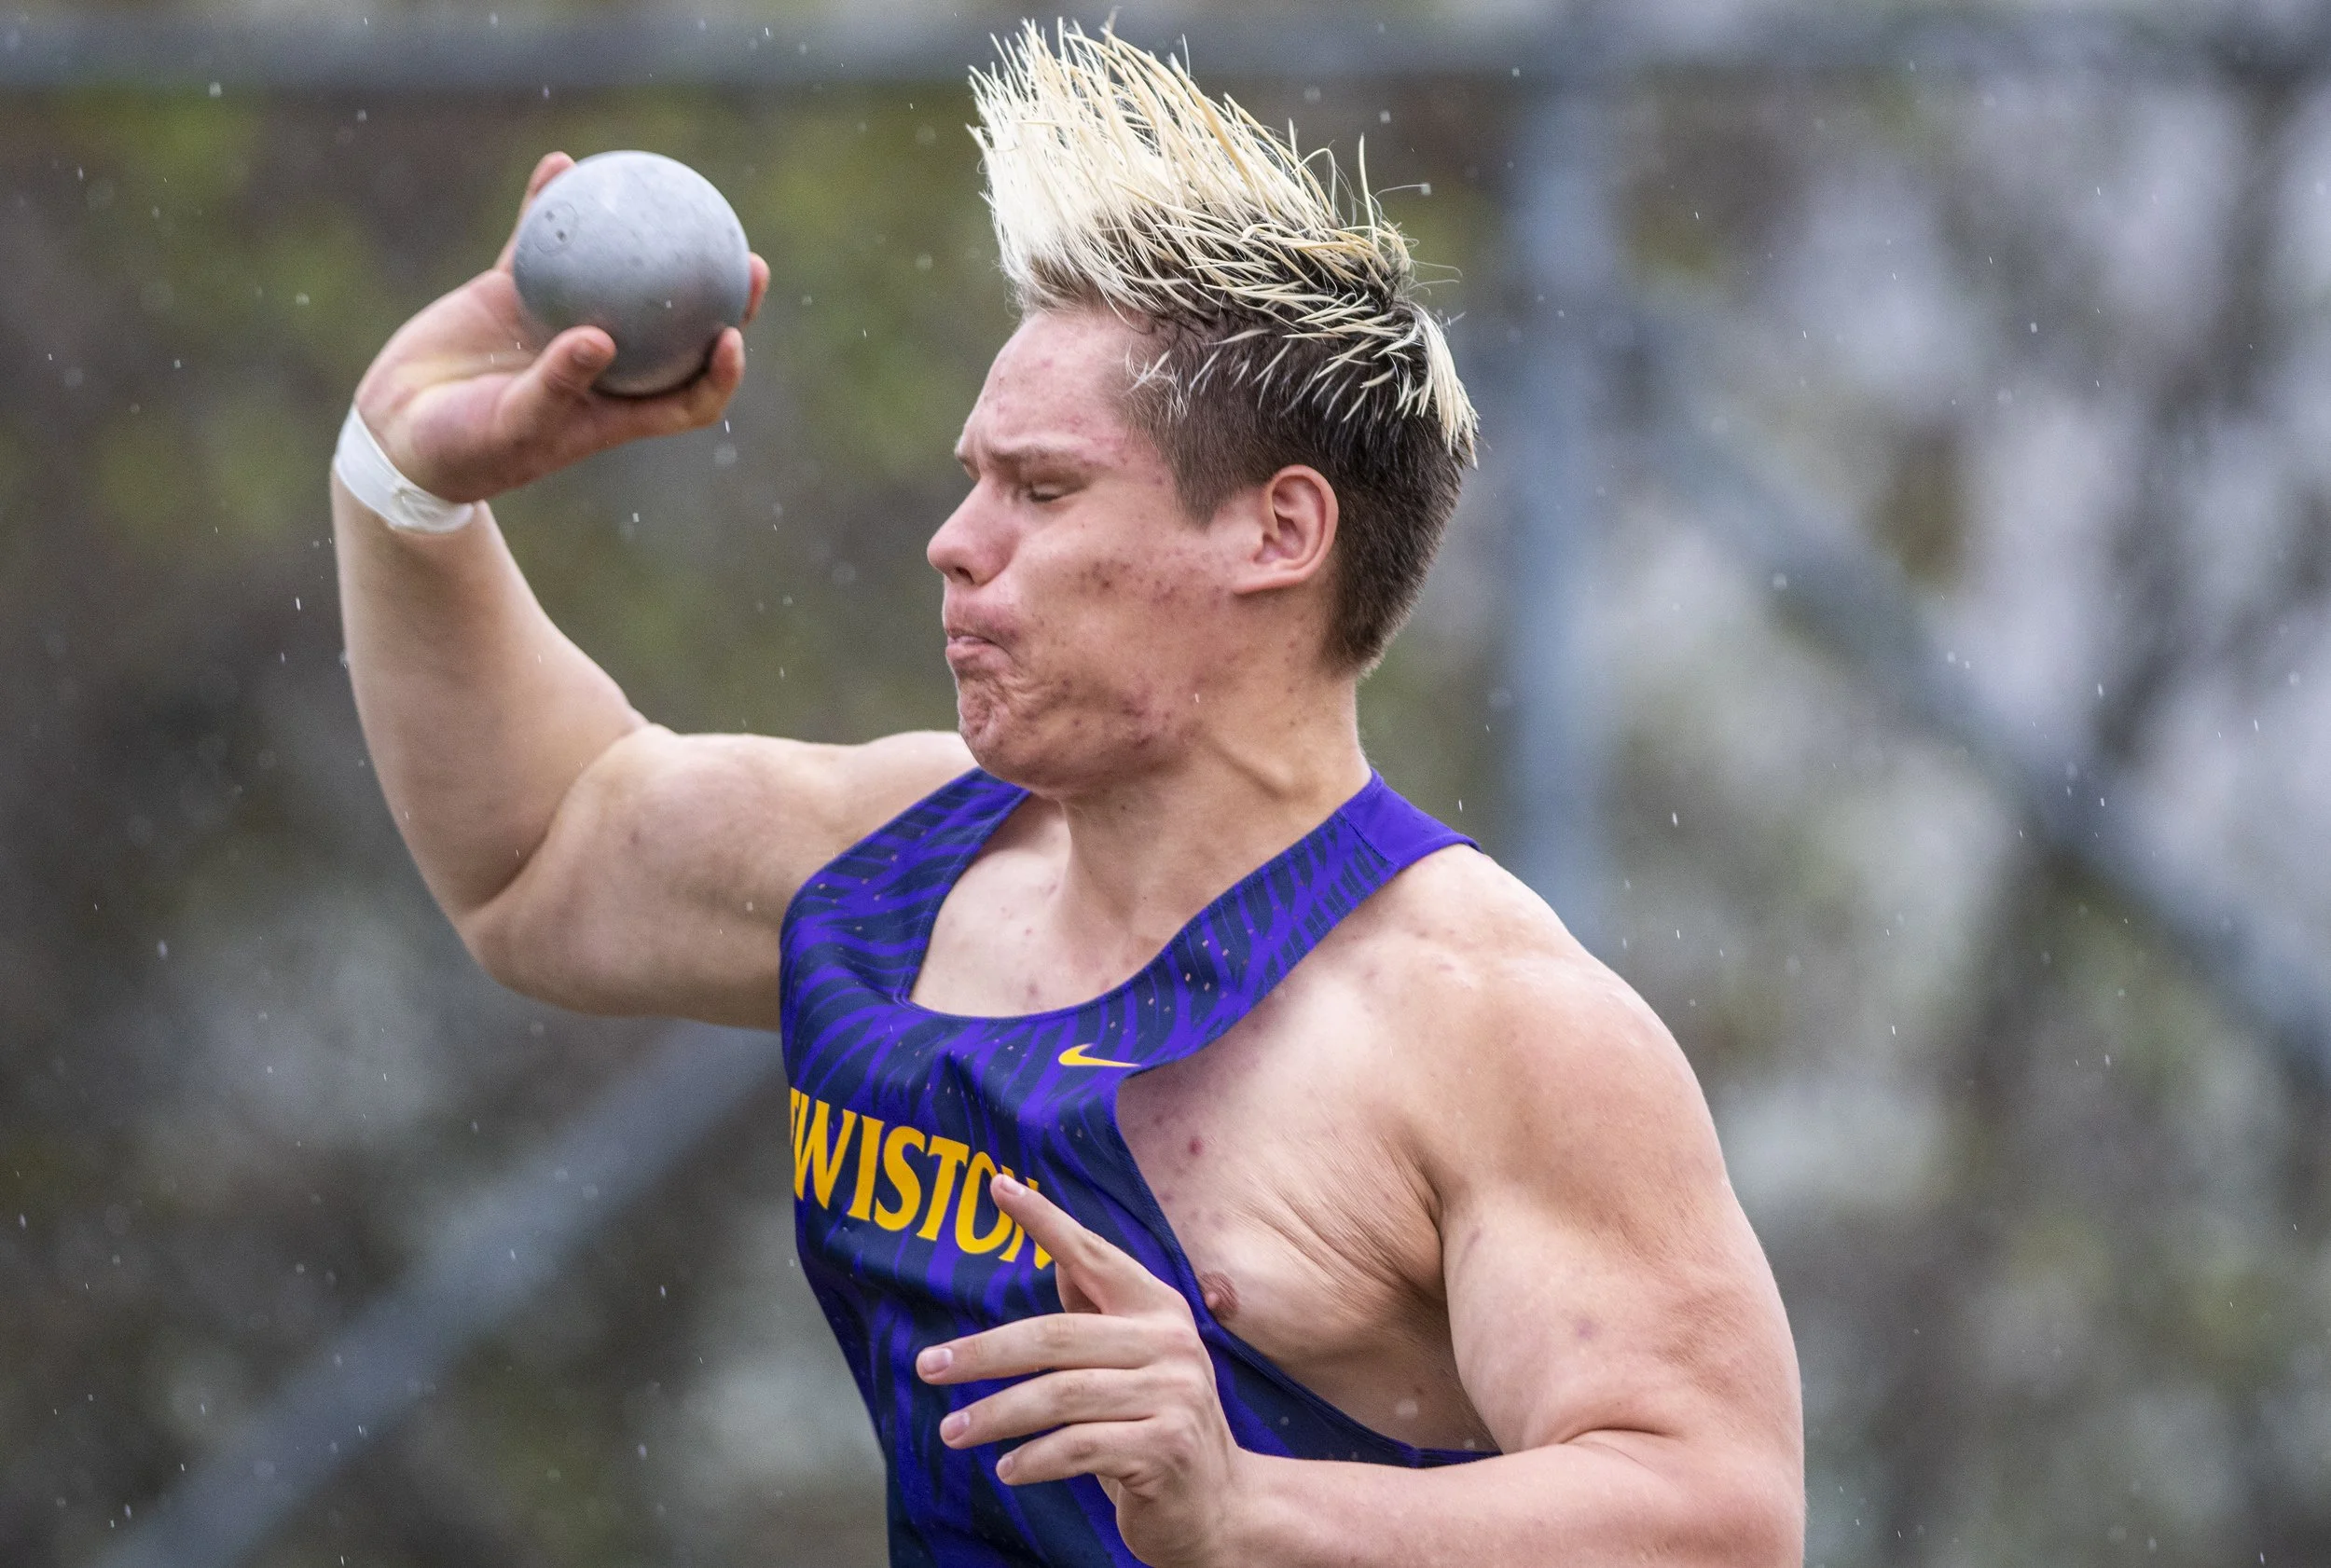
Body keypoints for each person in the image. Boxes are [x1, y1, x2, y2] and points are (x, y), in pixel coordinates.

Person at [330, 22, 1802, 1568]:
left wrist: (1249, 1506)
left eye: (1040, 489)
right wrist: (404, 482)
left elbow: (1716, 1520)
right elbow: (540, 855)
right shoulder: (899, 858)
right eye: (976, 481)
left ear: (1276, 530)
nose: (954, 544)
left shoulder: (1481, 1017)